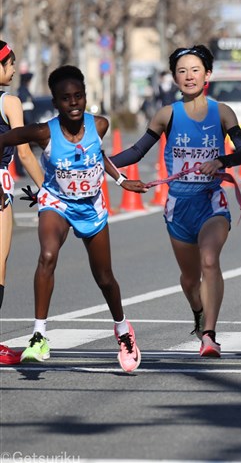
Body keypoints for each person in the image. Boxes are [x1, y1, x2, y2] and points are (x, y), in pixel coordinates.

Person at [0, 65, 147, 372]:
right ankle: (39, 335)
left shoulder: (101, 125)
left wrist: (121, 181)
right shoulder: (43, 132)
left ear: (85, 97)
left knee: (104, 277)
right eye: (66, 98)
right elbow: (6, 139)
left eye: (78, 96)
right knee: (47, 256)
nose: (74, 103)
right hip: (56, 202)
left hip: (90, 206)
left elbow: (98, 155)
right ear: (55, 102)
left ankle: (123, 331)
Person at [112, 45, 241, 358]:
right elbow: (136, 151)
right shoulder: (166, 115)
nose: (189, 76)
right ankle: (199, 313)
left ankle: (210, 336)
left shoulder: (223, 112)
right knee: (190, 279)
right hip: (178, 207)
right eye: (182, 71)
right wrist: (101, 161)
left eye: (195, 70)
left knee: (209, 261)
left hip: (211, 201)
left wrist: (221, 160)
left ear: (208, 75)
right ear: (175, 78)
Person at [0, 41, 45, 365]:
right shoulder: (9, 101)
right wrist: (47, 186)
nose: (14, 69)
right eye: (10, 63)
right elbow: (25, 150)